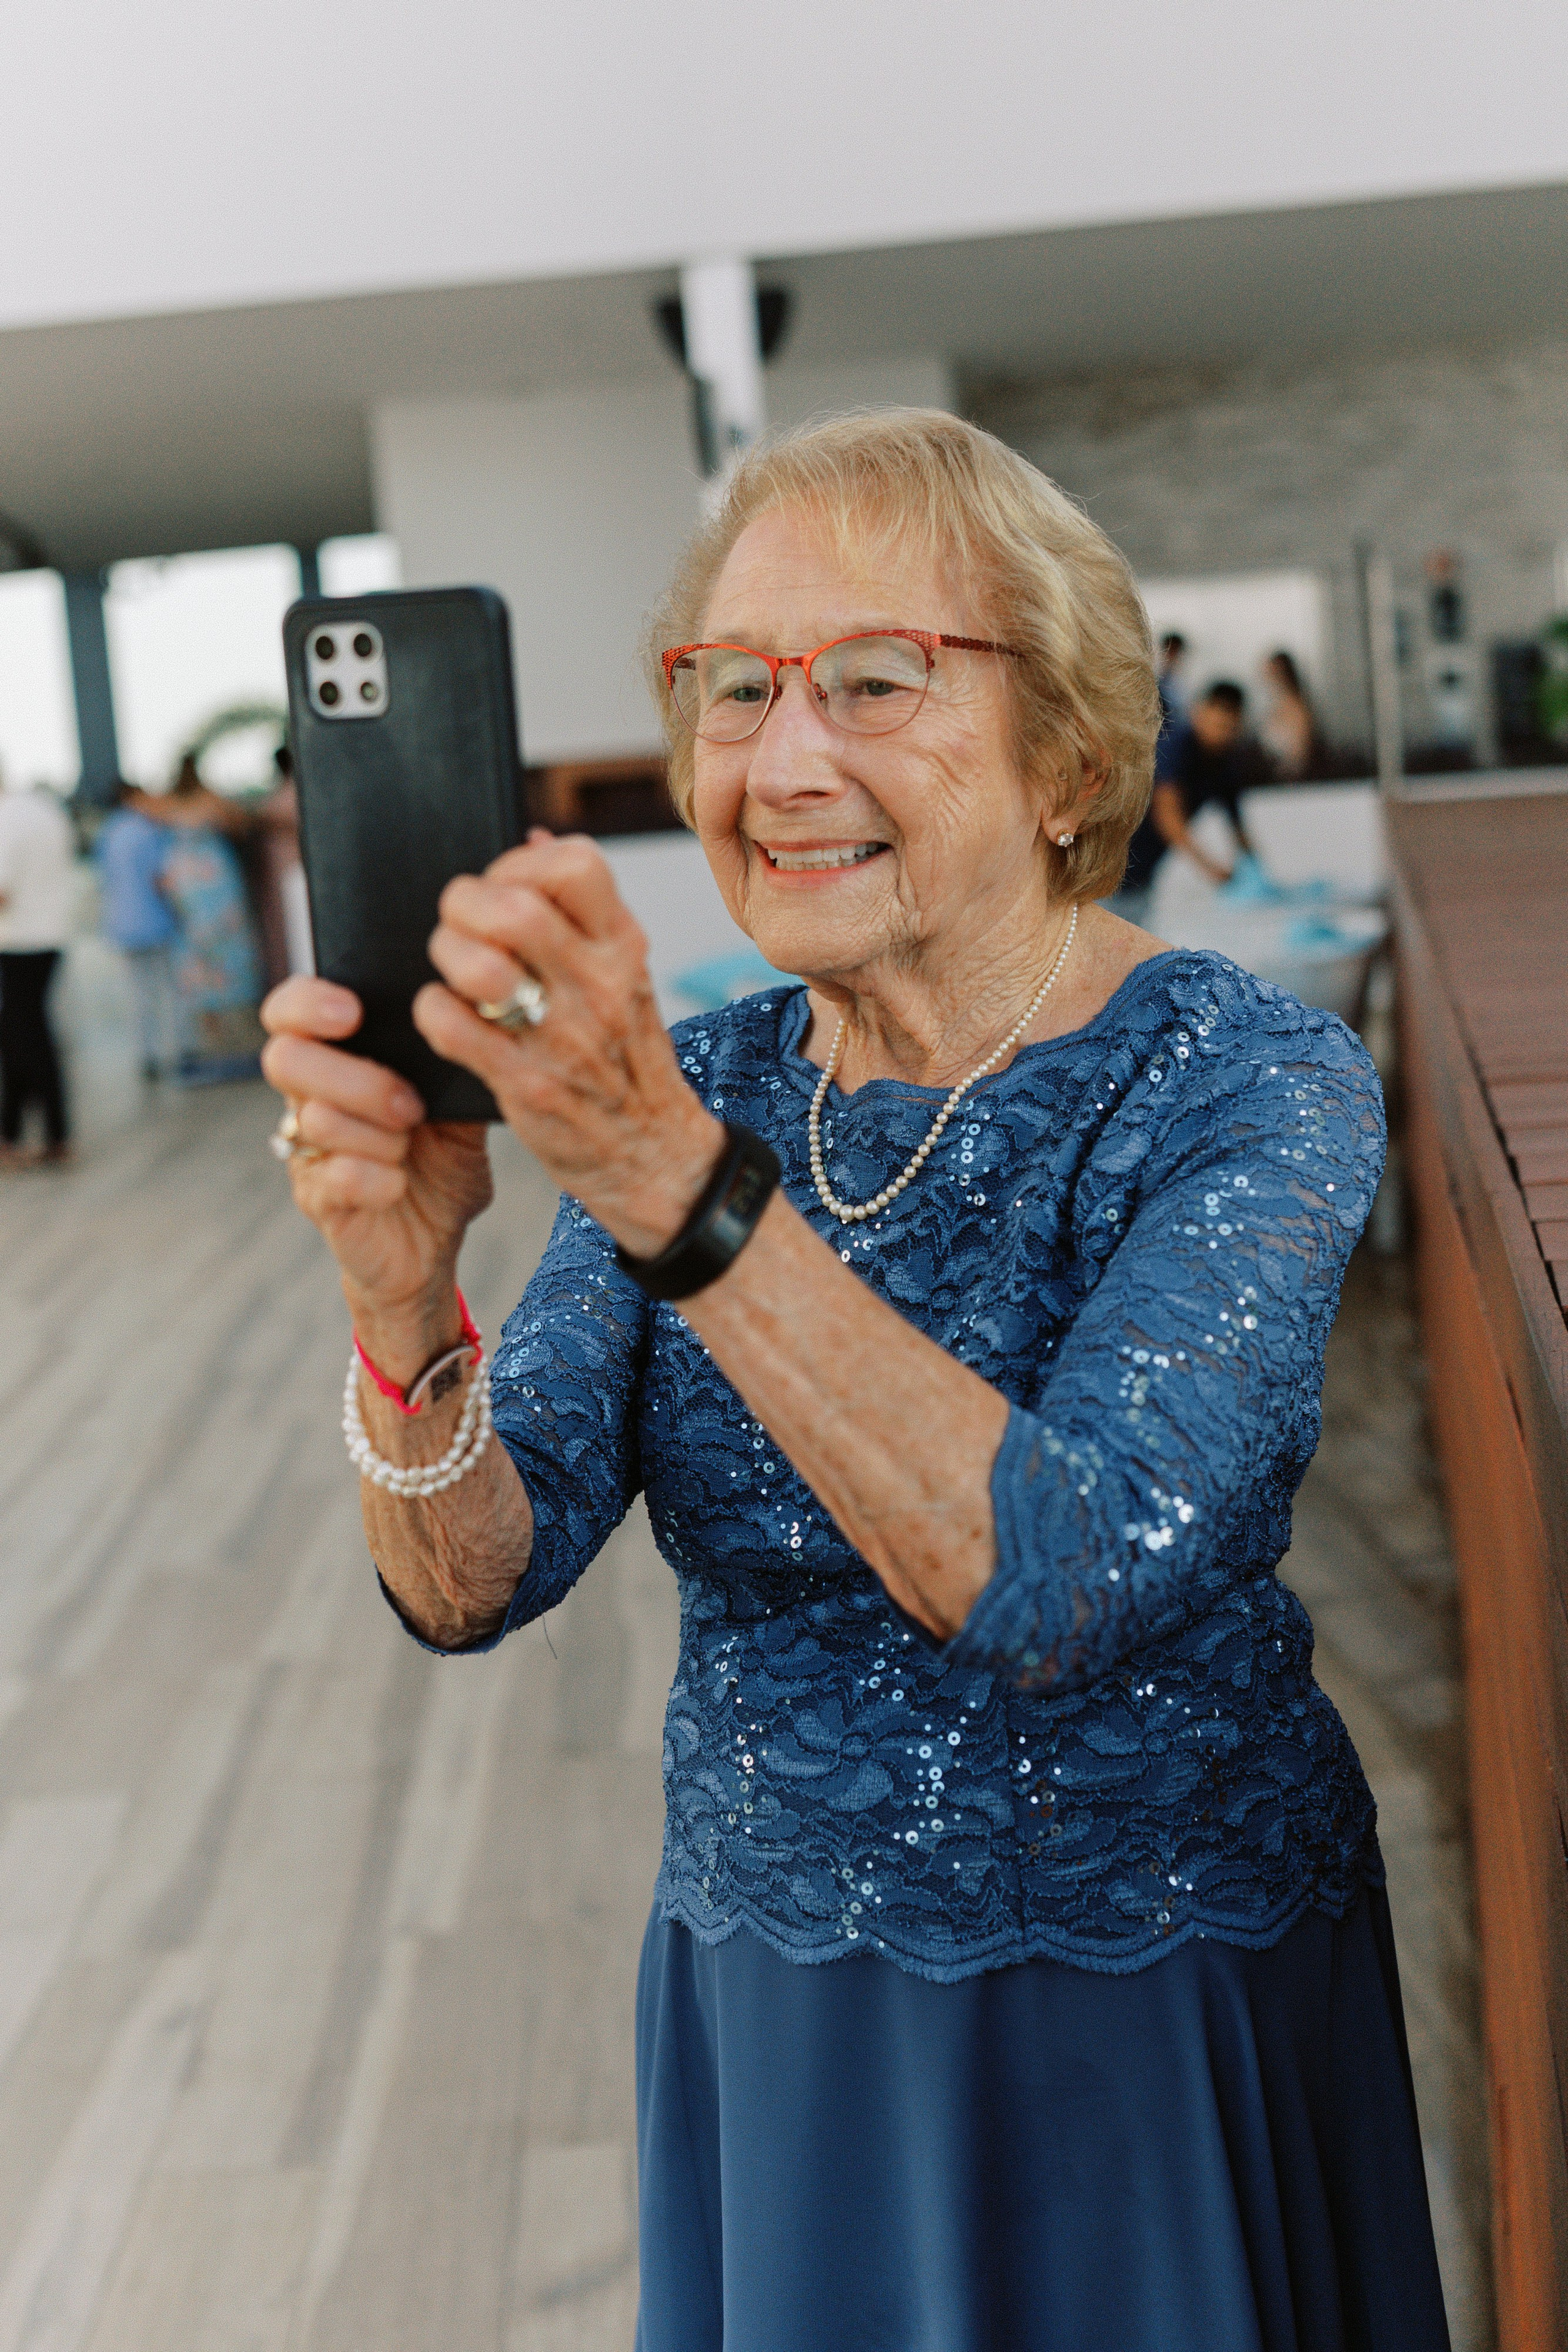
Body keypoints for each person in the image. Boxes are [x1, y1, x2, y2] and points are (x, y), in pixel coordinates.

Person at [261, 411, 1449, 2350]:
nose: (781, 758)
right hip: (789, 2011)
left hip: (1146, 2003)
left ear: (1068, 758)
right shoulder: (715, 1086)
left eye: (874, 680)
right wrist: (401, 1306)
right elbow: (472, 1575)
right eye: (734, 688)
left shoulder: (1242, 1084)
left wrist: (661, 1179)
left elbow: (1064, 1570)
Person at [156, 759, 264, 1079]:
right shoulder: (210, 800)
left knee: (197, 956)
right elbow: (242, 823)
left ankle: (214, 1044)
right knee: (228, 954)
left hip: (187, 880)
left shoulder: (170, 805)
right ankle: (241, 1041)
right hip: (213, 880)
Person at [1116, 679, 1257, 912]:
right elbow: (1168, 817)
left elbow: (1238, 828)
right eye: (1218, 725)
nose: (1222, 734)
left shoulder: (1223, 763)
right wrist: (1211, 869)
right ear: (1199, 712)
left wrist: (1256, 873)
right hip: (1109, 866)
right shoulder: (1176, 745)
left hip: (1141, 873)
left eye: (1230, 728)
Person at [0, 775, 75, 1167]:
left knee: (24, 1040)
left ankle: (45, 1137)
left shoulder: (5, 818)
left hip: (16, 942)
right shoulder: (48, 809)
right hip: (51, 936)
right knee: (26, 1037)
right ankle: (34, 1135)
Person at [96, 780, 179, 1080]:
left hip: (123, 924)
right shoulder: (148, 831)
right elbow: (160, 878)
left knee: (138, 994)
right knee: (167, 990)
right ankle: (176, 1051)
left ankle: (148, 1056)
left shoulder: (107, 834)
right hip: (154, 920)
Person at [1260, 649, 1328, 780]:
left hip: (1292, 781)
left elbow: (1301, 754)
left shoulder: (1298, 708)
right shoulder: (1273, 708)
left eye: (1274, 673)